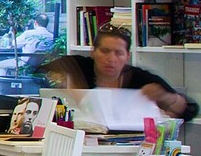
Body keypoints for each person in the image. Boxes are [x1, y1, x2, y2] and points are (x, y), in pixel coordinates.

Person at [47, 24, 198, 121]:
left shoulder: (140, 78)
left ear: (127, 56)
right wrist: (65, 83)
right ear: (93, 52)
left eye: (118, 53)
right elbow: (42, 71)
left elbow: (190, 110)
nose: (111, 59)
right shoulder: (78, 66)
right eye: (104, 51)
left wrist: (167, 98)